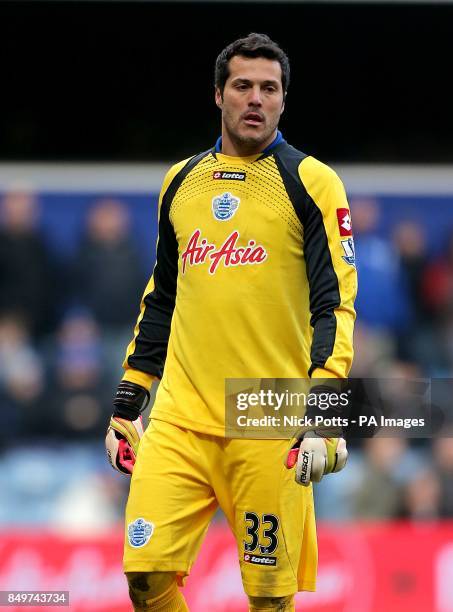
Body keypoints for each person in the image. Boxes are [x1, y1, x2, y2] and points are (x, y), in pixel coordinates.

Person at [105, 33, 357, 612]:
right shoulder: (180, 180)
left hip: (269, 415)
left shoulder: (312, 182)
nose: (255, 99)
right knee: (145, 576)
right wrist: (128, 401)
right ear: (218, 94)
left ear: (283, 102)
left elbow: (336, 306)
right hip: (180, 416)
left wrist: (325, 415)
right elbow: (161, 297)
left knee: (268, 601)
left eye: (269, 89)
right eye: (242, 85)